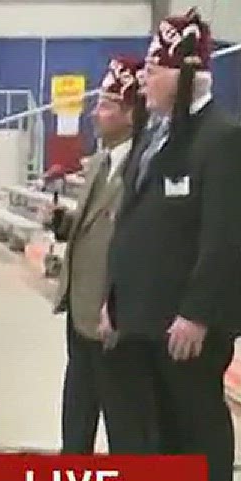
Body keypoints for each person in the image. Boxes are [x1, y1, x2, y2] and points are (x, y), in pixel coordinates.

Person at [103, 10, 241, 481]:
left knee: (197, 429)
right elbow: (131, 225)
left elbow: (225, 237)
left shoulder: (227, 140)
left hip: (188, 323)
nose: (143, 77)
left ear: (186, 71)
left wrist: (195, 314)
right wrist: (113, 301)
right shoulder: (153, 133)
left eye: (153, 66)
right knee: (157, 432)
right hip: (143, 317)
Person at [47, 56, 151, 455]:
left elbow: (137, 242)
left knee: (123, 423)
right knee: (77, 415)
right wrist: (64, 223)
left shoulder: (142, 167)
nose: (95, 112)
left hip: (112, 317)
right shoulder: (100, 160)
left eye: (106, 105)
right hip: (80, 310)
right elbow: (94, 224)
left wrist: (119, 302)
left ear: (129, 114)